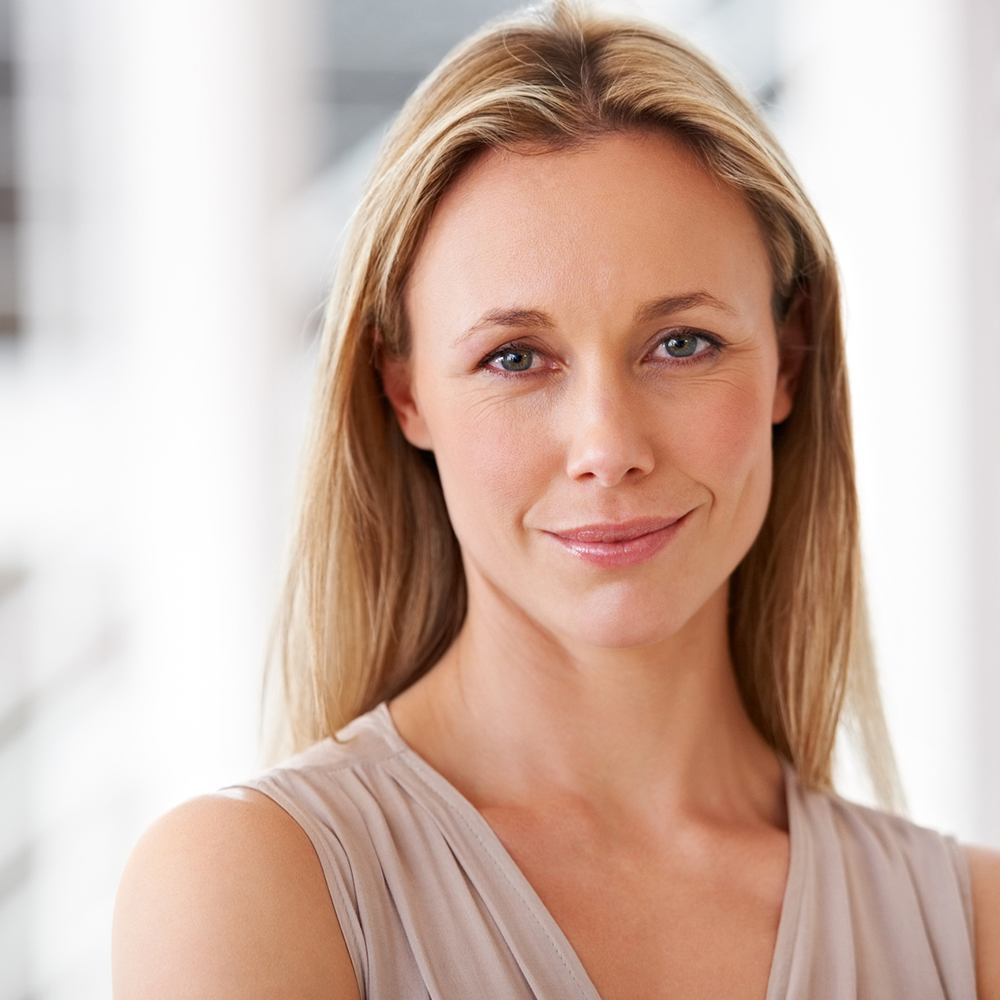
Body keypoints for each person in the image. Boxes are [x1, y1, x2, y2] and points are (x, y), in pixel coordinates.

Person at [111, 3, 1000, 997]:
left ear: (787, 359)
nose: (608, 446)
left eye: (681, 343)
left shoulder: (974, 932)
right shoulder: (252, 887)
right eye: (516, 357)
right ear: (404, 391)